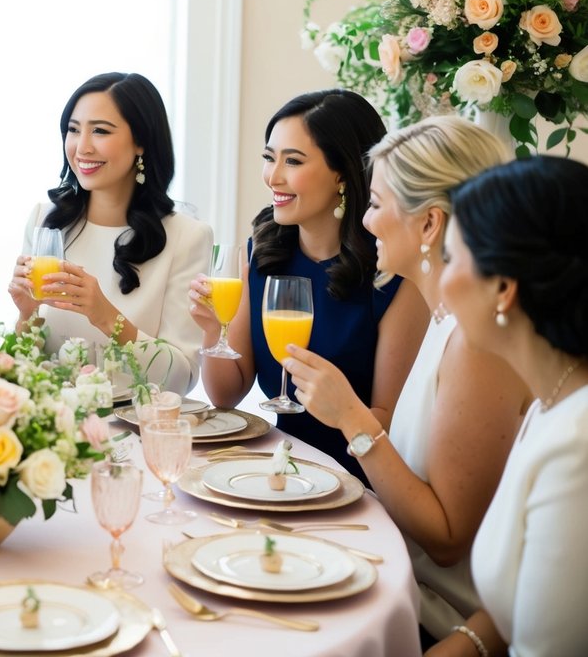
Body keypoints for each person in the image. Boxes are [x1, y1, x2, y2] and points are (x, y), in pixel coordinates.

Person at [285, 117, 529, 643]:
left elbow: (445, 540)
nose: (366, 222)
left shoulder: (475, 344)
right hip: (395, 573)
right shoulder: (443, 318)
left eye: (375, 203)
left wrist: (350, 417)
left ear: (429, 224)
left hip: (436, 617)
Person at [190, 89, 427, 479]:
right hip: (277, 468)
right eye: (269, 158)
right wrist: (213, 328)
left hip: (356, 476)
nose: (273, 176)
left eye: (293, 161)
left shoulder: (392, 270)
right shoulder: (263, 251)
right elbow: (225, 393)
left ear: (342, 173)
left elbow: (387, 419)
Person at [426, 157, 588, 657]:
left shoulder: (575, 446)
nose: (440, 275)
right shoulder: (550, 403)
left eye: (451, 258)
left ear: (503, 288)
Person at [9, 72, 212, 395]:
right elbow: (20, 370)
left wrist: (106, 317)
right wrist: (26, 315)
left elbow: (181, 379)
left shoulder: (187, 236)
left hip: (135, 432)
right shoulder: (45, 220)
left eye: (100, 131)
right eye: (73, 130)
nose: (82, 147)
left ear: (141, 141)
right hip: (51, 429)